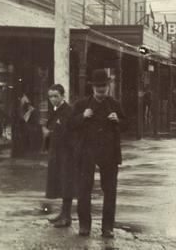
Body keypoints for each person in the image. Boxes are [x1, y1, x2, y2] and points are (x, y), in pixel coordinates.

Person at [71, 69, 127, 238]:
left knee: (110, 191)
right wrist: (82, 116)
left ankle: (107, 227)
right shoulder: (82, 105)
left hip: (109, 153)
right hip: (87, 152)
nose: (101, 90)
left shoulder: (115, 104)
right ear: (93, 87)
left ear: (108, 86)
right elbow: (70, 125)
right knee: (84, 189)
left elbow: (126, 125)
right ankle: (84, 226)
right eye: (98, 87)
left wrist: (118, 120)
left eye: (104, 87)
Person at [45, 84, 75, 228]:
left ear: (63, 95)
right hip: (57, 151)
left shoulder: (67, 111)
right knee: (60, 182)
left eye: (56, 96)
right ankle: (63, 213)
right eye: (50, 96)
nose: (53, 99)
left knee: (66, 182)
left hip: (66, 152)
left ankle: (67, 216)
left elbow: (66, 130)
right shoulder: (56, 110)